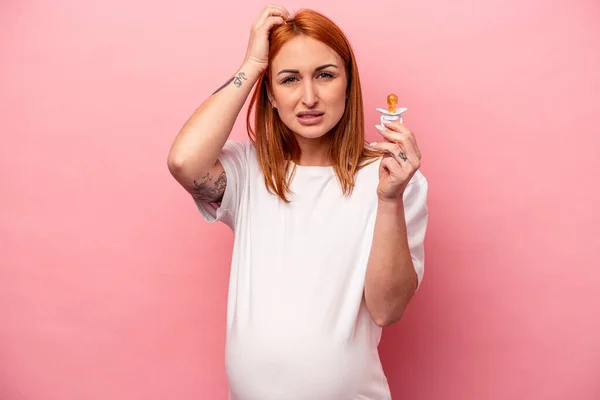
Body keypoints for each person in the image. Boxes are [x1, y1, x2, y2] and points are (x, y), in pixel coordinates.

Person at [167, 4, 428, 400]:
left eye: (325, 75)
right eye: (289, 79)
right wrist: (253, 63)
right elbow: (185, 161)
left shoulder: (391, 176)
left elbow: (387, 310)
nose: (309, 97)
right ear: (270, 94)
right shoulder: (248, 171)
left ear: (348, 84)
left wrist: (389, 199)